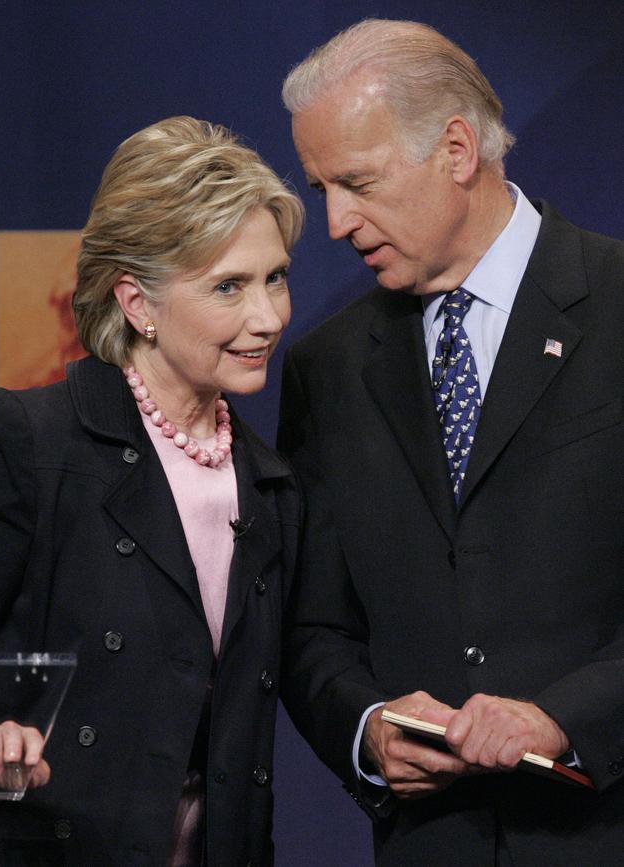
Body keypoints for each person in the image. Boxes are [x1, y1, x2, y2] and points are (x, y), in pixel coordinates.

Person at [277, 19, 624, 866]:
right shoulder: (326, 367)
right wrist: (366, 728)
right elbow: (311, 623)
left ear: (458, 149)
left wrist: (565, 718)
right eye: (321, 187)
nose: (334, 222)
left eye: (356, 182)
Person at [0, 115, 303, 866]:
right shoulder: (33, 443)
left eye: (275, 277)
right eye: (230, 286)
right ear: (137, 303)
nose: (268, 317)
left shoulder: (269, 482)